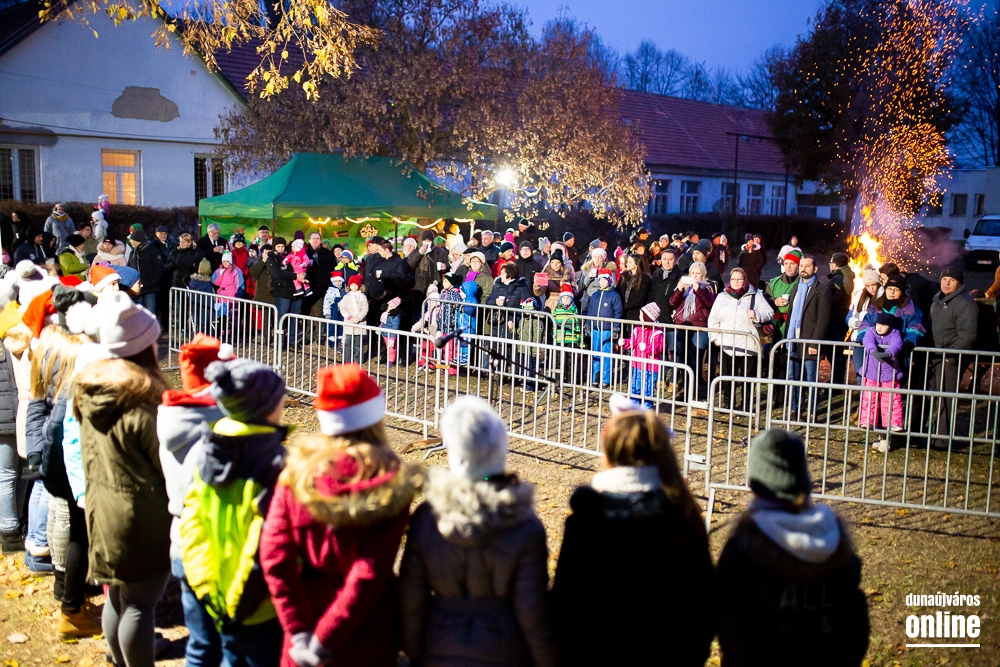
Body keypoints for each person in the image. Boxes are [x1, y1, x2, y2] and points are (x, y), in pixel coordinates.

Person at [263, 365, 420, 667]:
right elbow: (369, 573)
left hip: (306, 619)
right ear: (375, 414)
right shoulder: (391, 479)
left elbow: (274, 557)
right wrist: (326, 639)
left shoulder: (298, 473)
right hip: (368, 631)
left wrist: (299, 632)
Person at [400, 396, 556, 667]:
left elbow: (412, 595)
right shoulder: (524, 526)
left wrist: (413, 652)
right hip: (504, 651)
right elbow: (533, 610)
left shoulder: (428, 517)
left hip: (440, 646)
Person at [552, 406, 714, 666]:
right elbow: (703, 604)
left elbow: (564, 608)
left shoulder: (585, 522)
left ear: (608, 452)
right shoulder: (682, 516)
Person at [73, 294, 171, 667]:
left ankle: (118, 658)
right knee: (140, 604)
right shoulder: (144, 399)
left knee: (118, 595)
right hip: (140, 515)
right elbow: (165, 463)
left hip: (102, 508)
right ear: (144, 346)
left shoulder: (90, 388)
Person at [716, 429, 870, 666]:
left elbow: (732, 628)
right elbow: (855, 627)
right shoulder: (836, 543)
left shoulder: (742, 548)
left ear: (756, 481)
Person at [179, 358, 288, 666]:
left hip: (215, 593)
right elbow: (263, 543)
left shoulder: (209, 448)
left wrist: (207, 590)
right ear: (266, 406)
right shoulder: (274, 463)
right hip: (258, 605)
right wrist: (240, 605)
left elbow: (192, 524)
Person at [156, 334, 232, 667]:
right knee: (228, 643)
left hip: (182, 540)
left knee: (200, 644)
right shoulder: (223, 424)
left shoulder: (169, 417)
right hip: (218, 544)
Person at [708, 267, 774, 411]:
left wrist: (756, 315)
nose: (736, 282)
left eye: (739, 279)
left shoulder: (755, 295)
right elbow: (713, 318)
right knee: (727, 377)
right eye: (733, 279)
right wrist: (715, 338)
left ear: (745, 280)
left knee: (747, 378)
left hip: (748, 345)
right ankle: (728, 404)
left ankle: (746, 406)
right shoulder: (722, 296)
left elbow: (769, 312)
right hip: (727, 344)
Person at [926, 267, 977, 449]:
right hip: (933, 355)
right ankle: (924, 433)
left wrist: (951, 355)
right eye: (944, 279)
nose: (946, 283)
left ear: (959, 283)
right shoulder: (937, 301)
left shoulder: (965, 304)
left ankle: (941, 439)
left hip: (950, 358)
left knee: (946, 398)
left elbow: (968, 335)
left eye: (951, 280)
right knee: (929, 395)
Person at [784, 255, 832, 413]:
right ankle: (795, 409)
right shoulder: (796, 287)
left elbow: (822, 320)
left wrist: (814, 343)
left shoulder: (822, 290)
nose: (803, 269)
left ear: (815, 269)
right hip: (793, 340)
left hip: (810, 342)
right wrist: (786, 339)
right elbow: (791, 315)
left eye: (807, 266)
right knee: (793, 378)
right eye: (801, 266)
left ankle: (812, 412)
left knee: (811, 379)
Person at [669, 261, 716, 401]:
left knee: (695, 360)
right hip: (683, 325)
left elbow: (709, 303)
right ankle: (686, 391)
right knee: (684, 360)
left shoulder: (708, 287)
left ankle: (694, 392)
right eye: (692, 273)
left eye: (698, 273)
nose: (695, 276)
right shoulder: (685, 288)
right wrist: (679, 290)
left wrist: (698, 289)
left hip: (699, 327)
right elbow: (672, 303)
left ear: (703, 274)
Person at [860, 312, 904, 434]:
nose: (880, 327)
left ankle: (893, 422)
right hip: (871, 371)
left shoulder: (895, 333)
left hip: (889, 373)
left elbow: (897, 344)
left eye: (884, 325)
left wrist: (888, 353)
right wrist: (874, 351)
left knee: (891, 398)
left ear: (890, 326)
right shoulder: (871, 331)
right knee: (869, 397)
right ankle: (867, 420)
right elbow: (867, 341)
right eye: (878, 324)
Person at [618, 303, 665, 407]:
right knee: (635, 386)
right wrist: (625, 343)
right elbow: (632, 342)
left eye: (641, 315)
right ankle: (633, 406)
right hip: (637, 365)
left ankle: (646, 408)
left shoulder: (657, 332)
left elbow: (659, 347)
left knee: (648, 389)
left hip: (651, 367)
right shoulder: (637, 329)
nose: (639, 317)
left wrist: (647, 347)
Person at [585, 270, 623, 386]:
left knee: (607, 355)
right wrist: (588, 324)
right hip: (595, 329)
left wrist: (616, 328)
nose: (601, 282)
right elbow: (590, 311)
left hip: (607, 329)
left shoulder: (614, 295)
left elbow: (618, 312)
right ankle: (595, 378)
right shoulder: (595, 295)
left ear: (609, 281)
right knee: (595, 354)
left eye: (604, 280)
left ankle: (605, 379)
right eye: (600, 280)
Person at [267, 237, 304, 347]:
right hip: (282, 291)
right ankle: (280, 341)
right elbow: (277, 273)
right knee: (281, 317)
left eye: (282, 246)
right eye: (278, 246)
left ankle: (292, 340)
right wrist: (295, 276)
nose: (281, 249)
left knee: (294, 316)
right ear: (274, 247)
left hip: (296, 290)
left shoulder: (291, 256)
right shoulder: (272, 259)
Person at [847, 269, 880, 383]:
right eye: (868, 285)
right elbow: (849, 315)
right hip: (859, 341)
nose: (871, 288)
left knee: (873, 376)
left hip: (875, 343)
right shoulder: (859, 297)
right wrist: (854, 323)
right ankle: (862, 394)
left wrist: (860, 317)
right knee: (860, 374)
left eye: (873, 285)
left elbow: (875, 319)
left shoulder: (882, 298)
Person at [127, 230, 165, 316]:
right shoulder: (133, 253)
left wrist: (152, 282)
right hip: (137, 289)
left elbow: (159, 268)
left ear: (137, 240)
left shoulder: (152, 251)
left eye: (131, 239)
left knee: (150, 313)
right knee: (137, 314)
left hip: (150, 289)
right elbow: (129, 268)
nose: (130, 241)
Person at [304, 231, 336, 317]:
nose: (315, 240)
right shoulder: (304, 253)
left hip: (322, 288)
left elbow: (332, 269)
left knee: (319, 314)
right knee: (306, 313)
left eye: (317, 238)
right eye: (313, 238)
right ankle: (307, 327)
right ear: (309, 240)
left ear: (320, 240)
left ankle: (320, 327)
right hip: (307, 288)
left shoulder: (328, 254)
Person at [339, 275, 369, 364]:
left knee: (358, 344)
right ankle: (347, 360)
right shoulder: (346, 297)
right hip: (349, 323)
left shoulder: (363, 297)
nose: (354, 287)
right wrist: (349, 317)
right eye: (352, 285)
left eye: (356, 285)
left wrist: (359, 318)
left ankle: (357, 360)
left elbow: (365, 309)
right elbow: (343, 308)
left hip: (359, 324)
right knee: (347, 342)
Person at [617, 253, 652, 322]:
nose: (627, 264)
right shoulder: (624, 276)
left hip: (636, 315)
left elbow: (641, 299)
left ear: (636, 264)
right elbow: (618, 291)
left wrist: (624, 307)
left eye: (630, 262)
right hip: (623, 314)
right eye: (627, 262)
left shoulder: (644, 279)